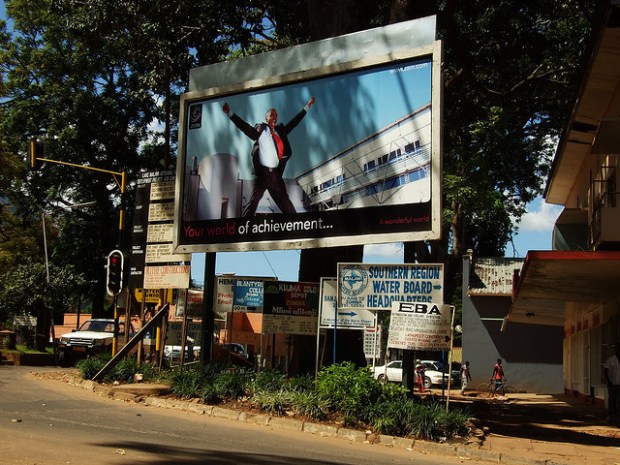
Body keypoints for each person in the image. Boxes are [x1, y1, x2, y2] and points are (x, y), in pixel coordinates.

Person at [222, 97, 315, 217]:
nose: (275, 117)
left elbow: (294, 123)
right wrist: (230, 113)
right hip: (262, 175)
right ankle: (243, 229)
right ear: (266, 118)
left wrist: (307, 106)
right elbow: (244, 127)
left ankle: (297, 229)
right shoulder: (261, 130)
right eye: (272, 115)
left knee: (287, 206)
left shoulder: (280, 130)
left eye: (276, 115)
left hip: (276, 176)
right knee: (253, 204)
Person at [603, 343, 620, 422]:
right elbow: (605, 371)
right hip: (612, 383)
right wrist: (609, 381)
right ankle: (610, 415)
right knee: (612, 399)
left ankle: (617, 415)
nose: (618, 350)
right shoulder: (610, 359)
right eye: (616, 348)